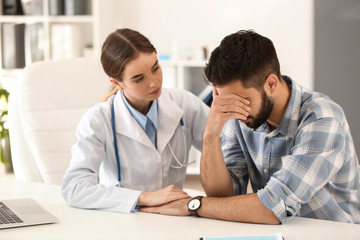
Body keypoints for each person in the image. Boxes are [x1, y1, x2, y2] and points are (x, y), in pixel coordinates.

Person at [140, 30, 360, 224]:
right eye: (224, 100)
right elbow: (223, 197)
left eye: (240, 99)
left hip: (333, 233)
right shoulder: (240, 116)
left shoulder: (322, 118)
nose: (234, 109)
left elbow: (274, 207)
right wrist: (211, 133)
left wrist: (193, 205)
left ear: (271, 83)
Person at [61, 28, 209, 213]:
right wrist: (144, 198)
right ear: (117, 83)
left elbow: (228, 152)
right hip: (124, 221)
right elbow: (74, 189)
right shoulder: (98, 120)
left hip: (173, 218)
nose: (154, 82)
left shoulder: (185, 104)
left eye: (156, 68)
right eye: (139, 79)